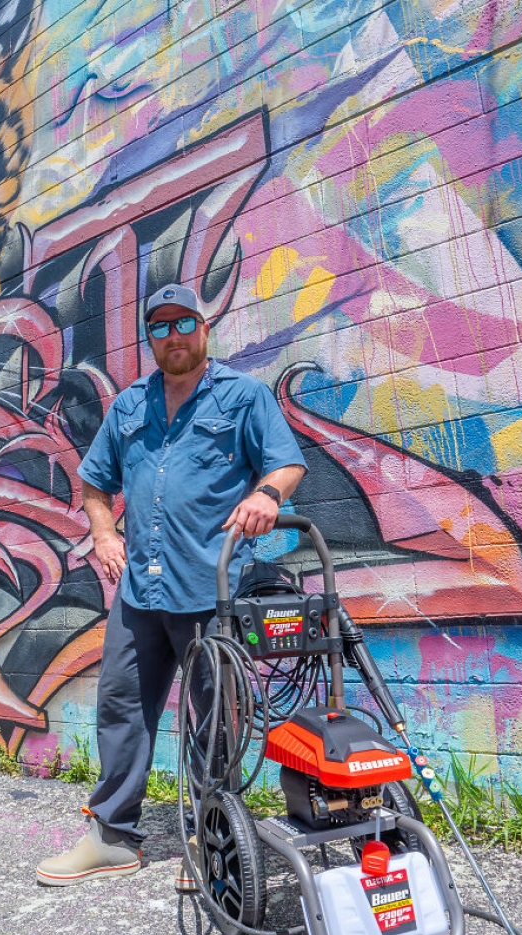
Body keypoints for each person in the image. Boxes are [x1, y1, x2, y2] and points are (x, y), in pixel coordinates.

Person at [36, 283, 306, 890]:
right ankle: (111, 837)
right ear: (150, 340)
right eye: (159, 327)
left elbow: (287, 463)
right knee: (121, 704)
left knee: (215, 716)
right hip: (140, 591)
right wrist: (104, 535)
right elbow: (94, 485)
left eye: (184, 323)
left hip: (211, 588)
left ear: (204, 329)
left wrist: (266, 494)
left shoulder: (243, 396)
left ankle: (215, 840)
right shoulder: (129, 405)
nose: (173, 336)